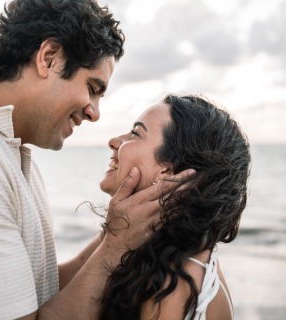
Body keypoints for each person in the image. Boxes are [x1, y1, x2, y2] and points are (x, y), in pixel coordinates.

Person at [0, 1, 193, 319]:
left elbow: (33, 294)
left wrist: (119, 230)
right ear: (49, 58)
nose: (94, 112)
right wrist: (116, 246)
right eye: (92, 87)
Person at [97, 95, 251, 320]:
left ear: (168, 173)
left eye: (136, 134)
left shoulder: (174, 282)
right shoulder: (167, 257)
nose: (114, 141)